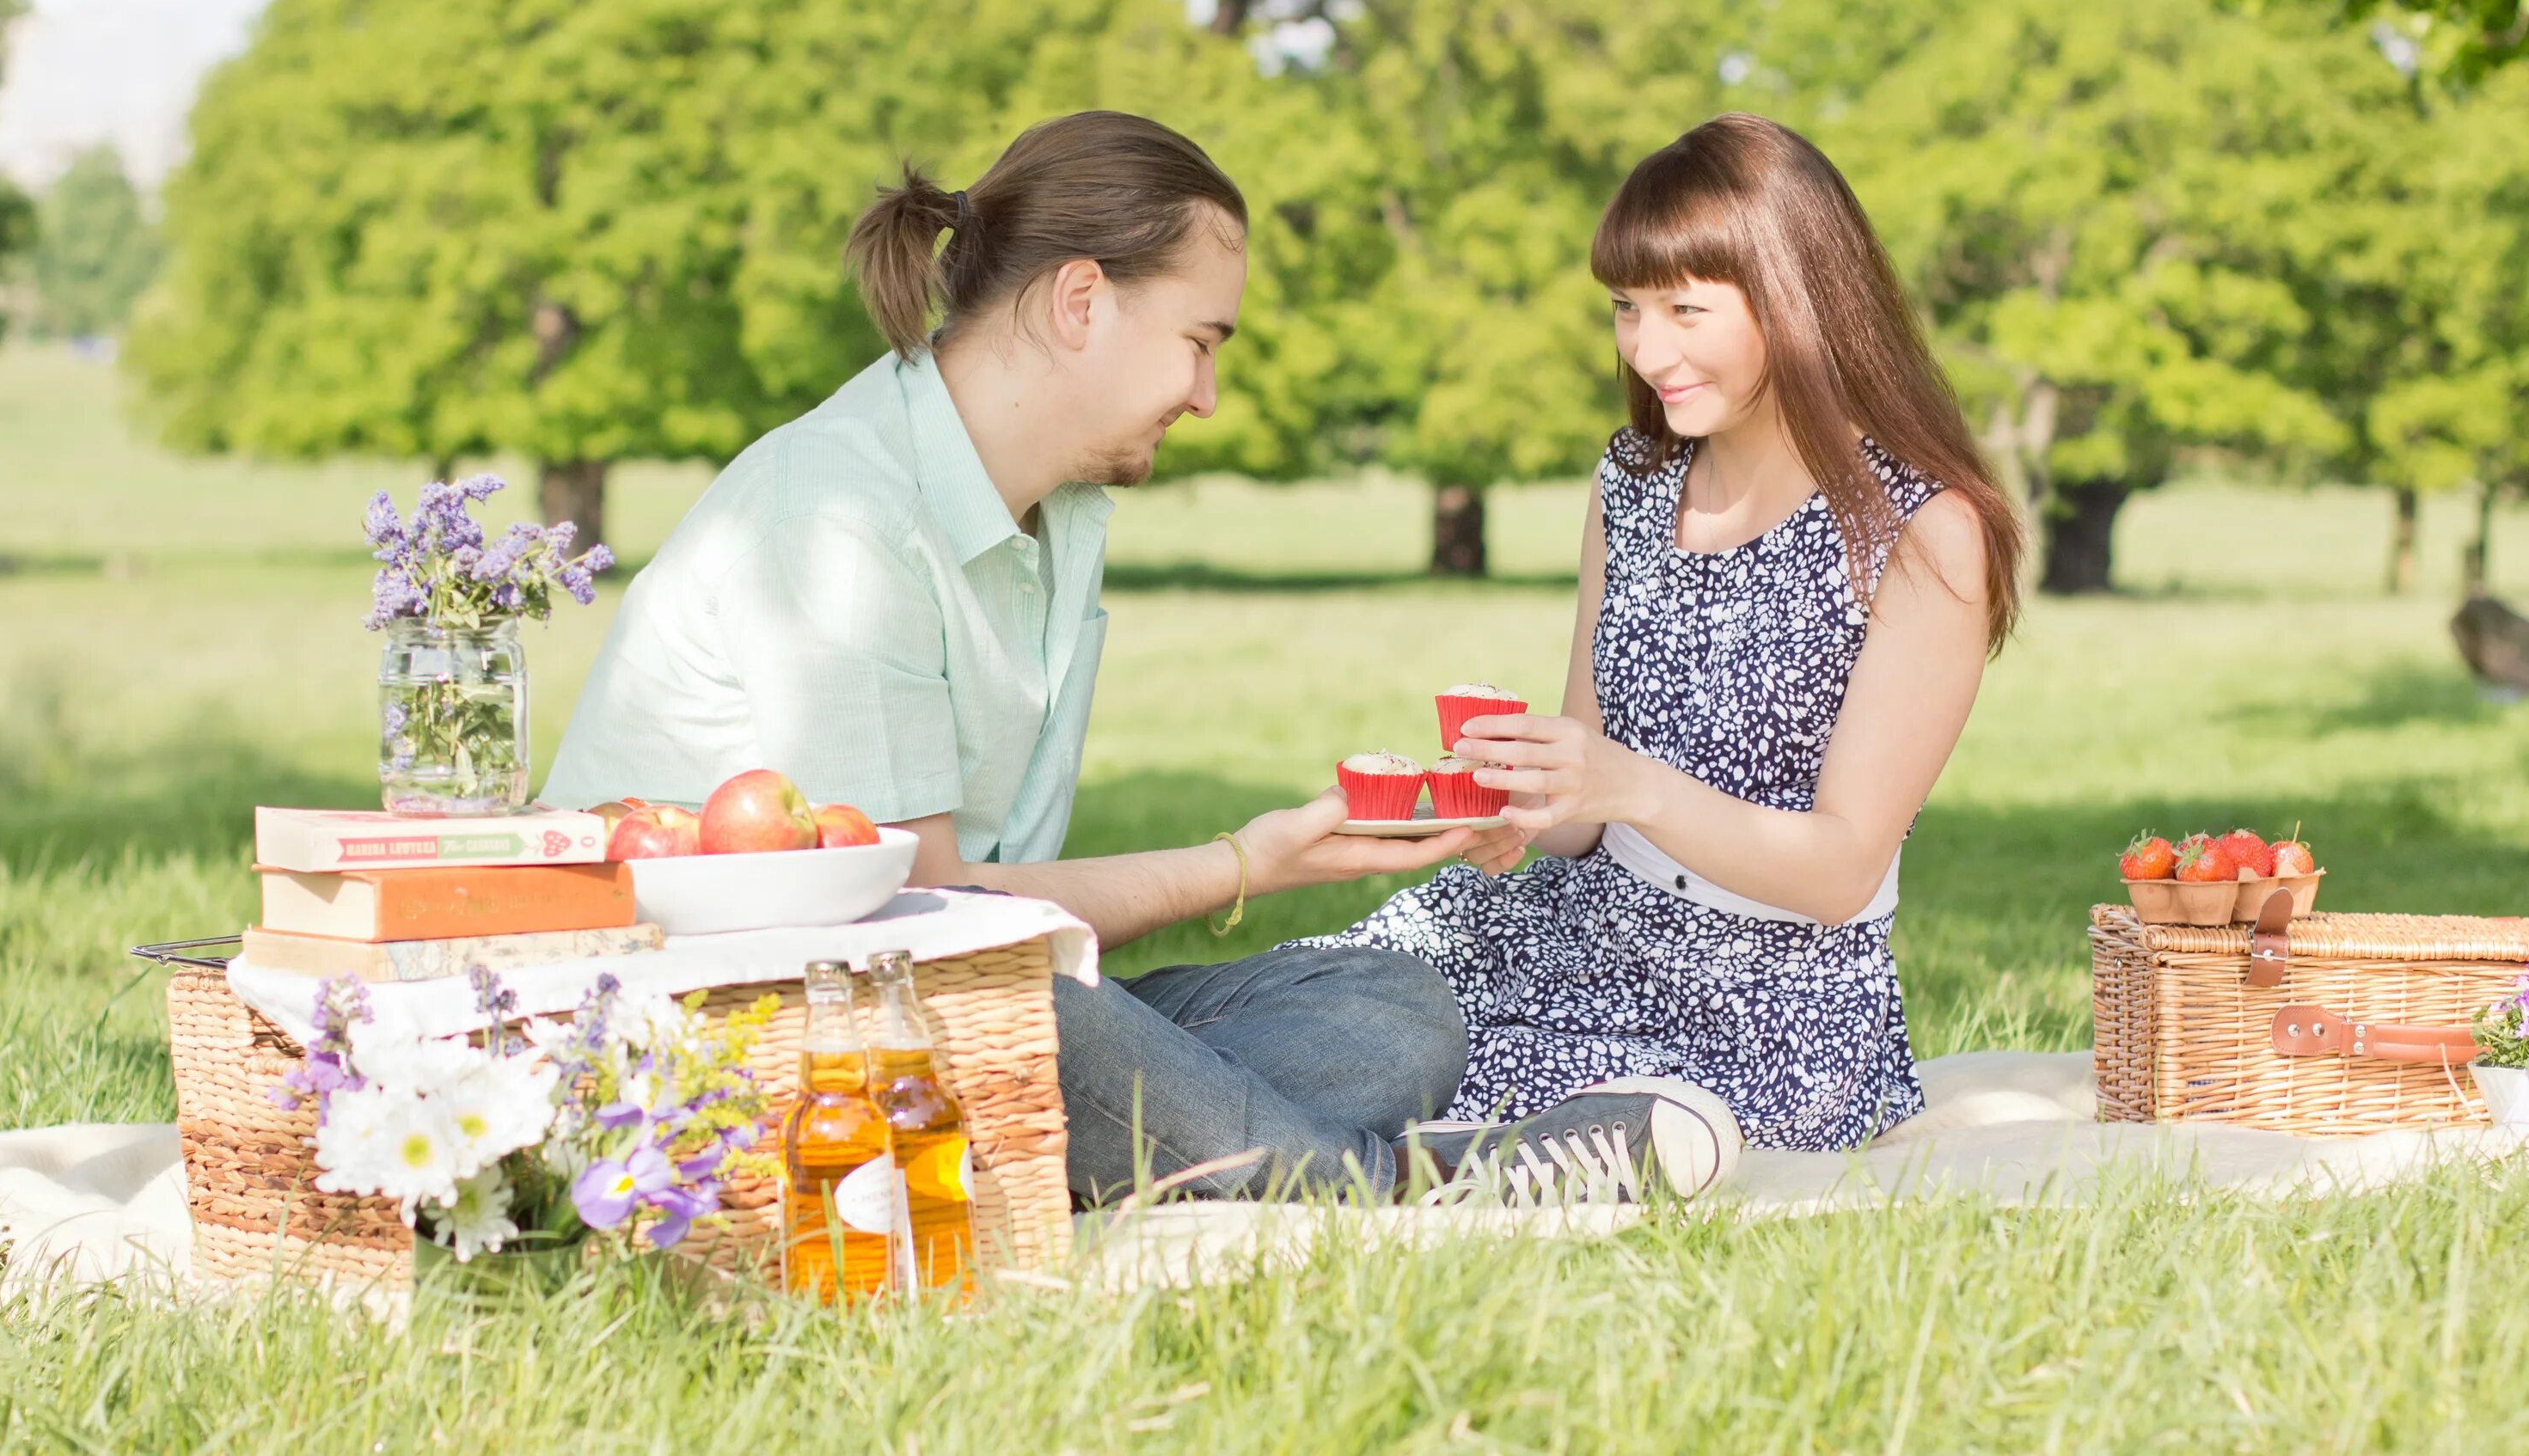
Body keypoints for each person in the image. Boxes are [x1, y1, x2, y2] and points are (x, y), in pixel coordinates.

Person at [547, 111, 1545, 1205]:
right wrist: (1240, 863)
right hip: (778, 1026)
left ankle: (1158, 1149)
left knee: (1390, 1009)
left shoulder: (1062, 516)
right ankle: (1395, 1180)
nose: (1207, 397)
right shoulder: (836, 513)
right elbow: (924, 923)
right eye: (1201, 344)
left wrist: (1270, 860)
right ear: (1082, 302)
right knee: (1047, 1017)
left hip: (981, 995)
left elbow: (990, 940)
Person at [1286, 112, 2024, 1183]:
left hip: (1762, 1009)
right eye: (1628, 309)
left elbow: (1839, 865)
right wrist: (1521, 803)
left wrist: (1628, 785)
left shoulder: (1921, 532)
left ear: (1800, 296)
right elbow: (1586, 807)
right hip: (1563, 932)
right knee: (1297, 1013)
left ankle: (1335, 1162)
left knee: (1368, 1079)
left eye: (1686, 308)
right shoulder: (1632, 484)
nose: (1647, 348)